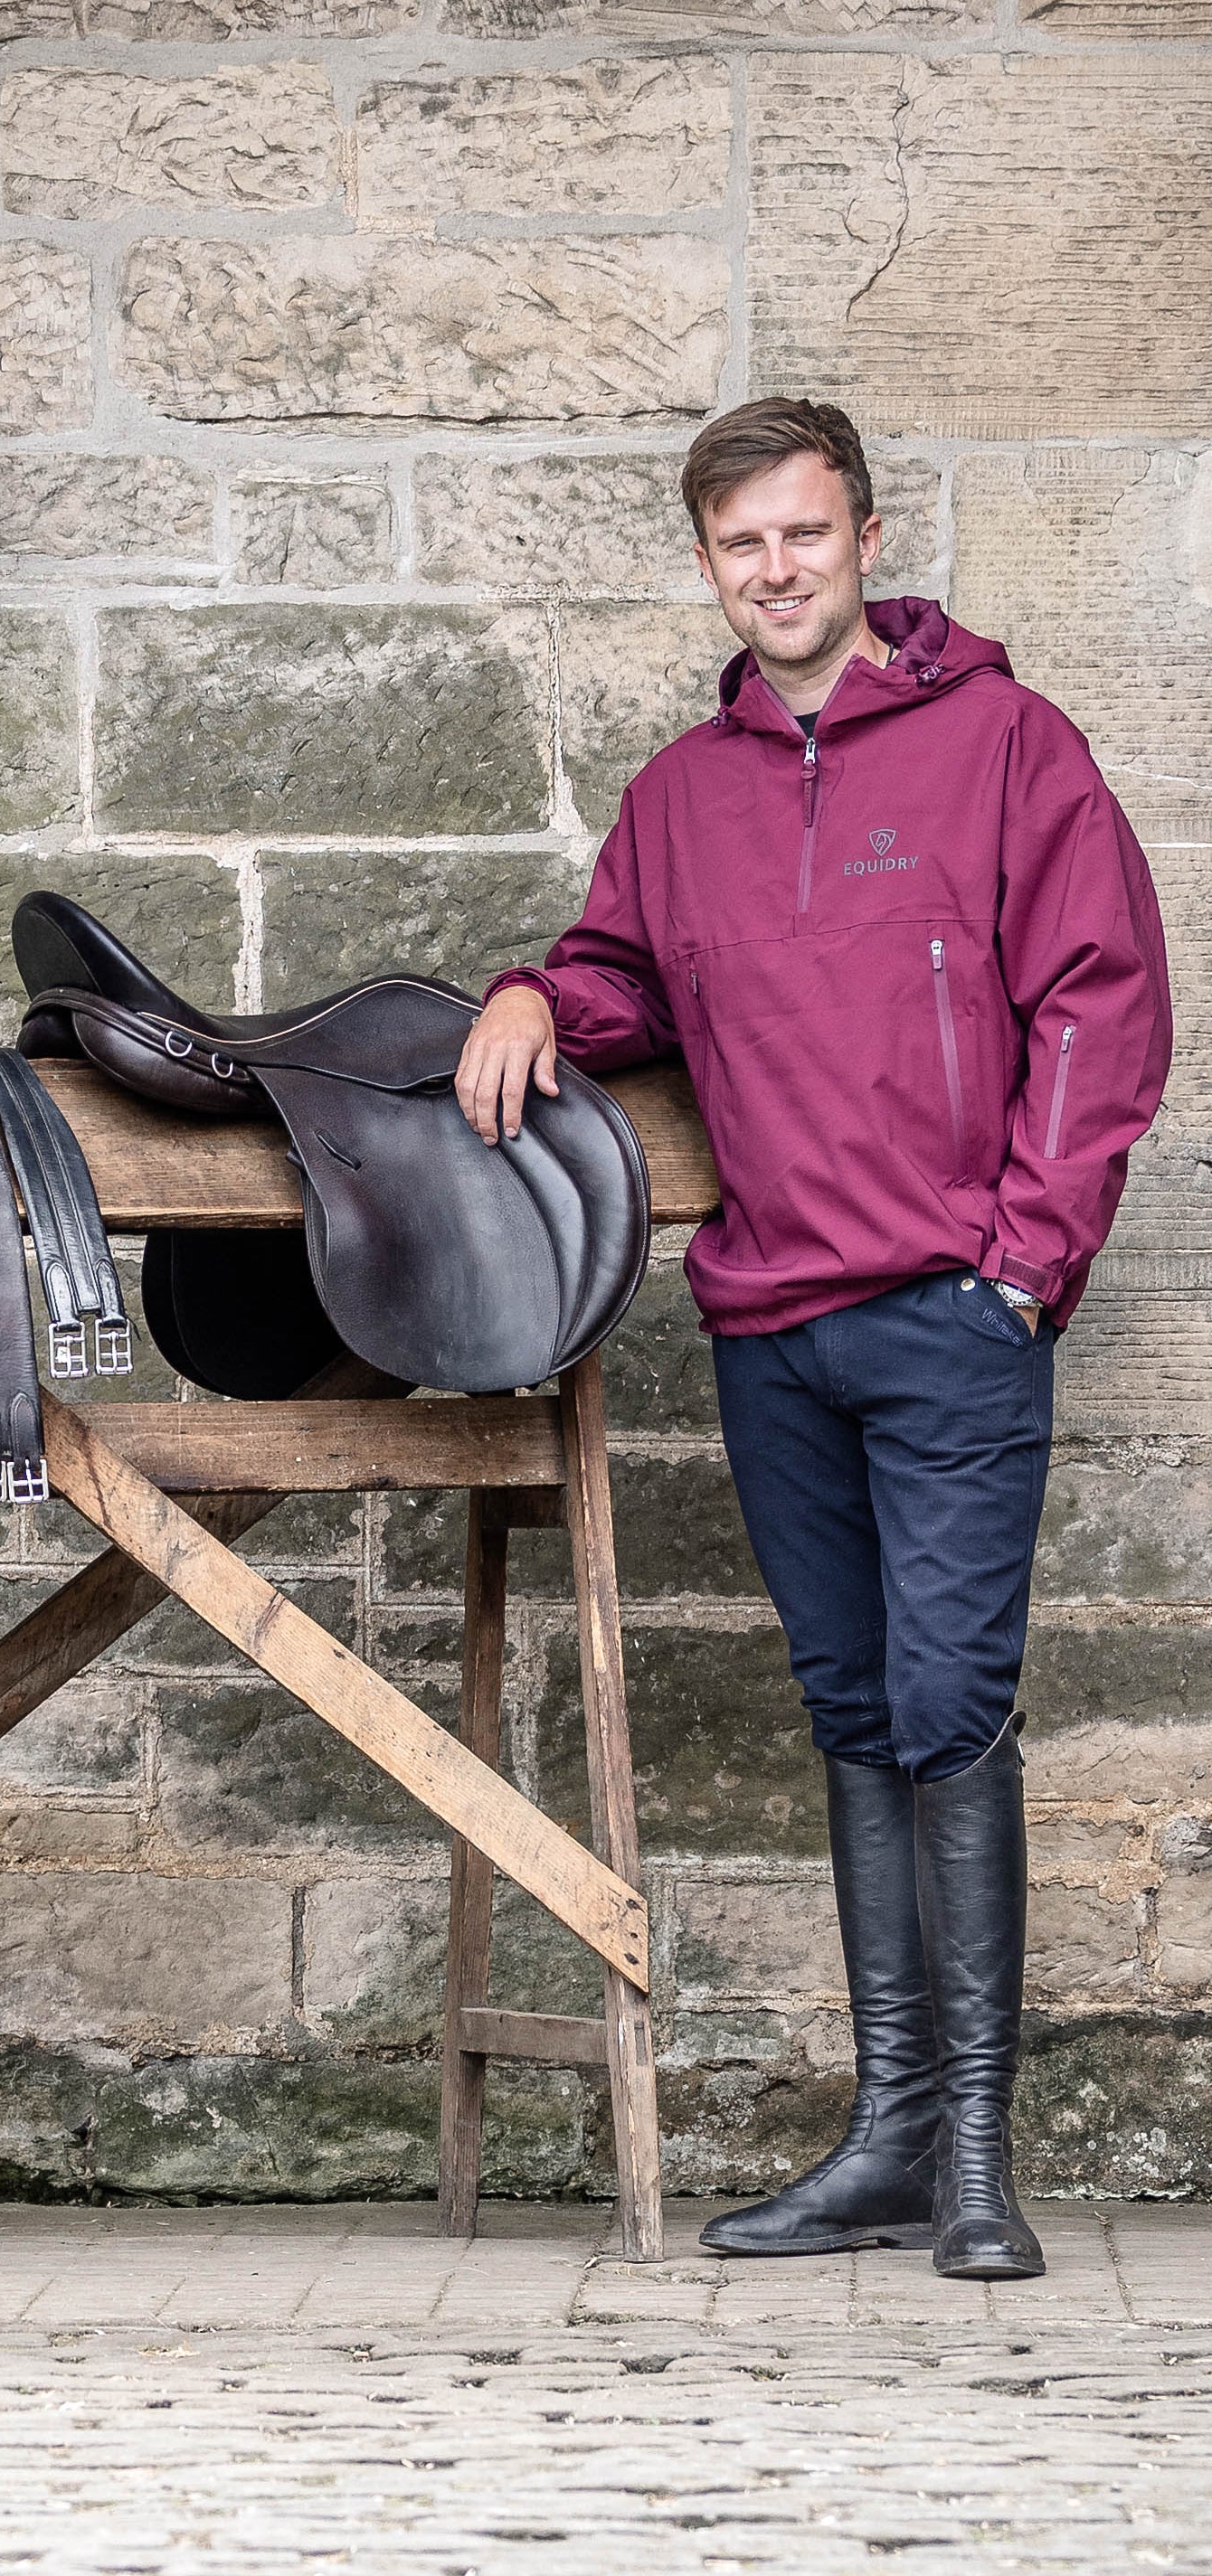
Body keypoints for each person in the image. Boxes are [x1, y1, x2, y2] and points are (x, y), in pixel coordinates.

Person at [457, 397, 1170, 2282]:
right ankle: (885, 2142)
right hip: (773, 1328)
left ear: (862, 535)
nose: (776, 569)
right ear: (709, 562)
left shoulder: (1008, 747)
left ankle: (977, 2160)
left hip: (952, 1317)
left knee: (952, 1707)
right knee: (853, 1712)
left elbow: (1103, 1004)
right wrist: (533, 990)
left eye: (804, 532)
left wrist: (1022, 1267)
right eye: (740, 543)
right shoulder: (679, 799)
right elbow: (620, 972)